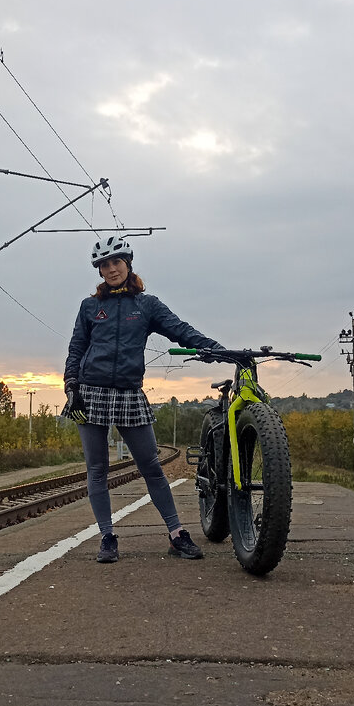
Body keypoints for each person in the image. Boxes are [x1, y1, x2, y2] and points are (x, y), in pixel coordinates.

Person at [63, 234, 224, 563]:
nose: (111, 269)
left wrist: (213, 348)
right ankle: (107, 537)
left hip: (129, 393)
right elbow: (76, 348)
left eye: (116, 262)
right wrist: (71, 384)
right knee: (97, 469)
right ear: (100, 271)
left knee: (151, 465)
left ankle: (176, 534)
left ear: (128, 264)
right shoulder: (90, 307)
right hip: (90, 392)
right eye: (104, 265)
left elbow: (179, 329)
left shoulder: (147, 305)